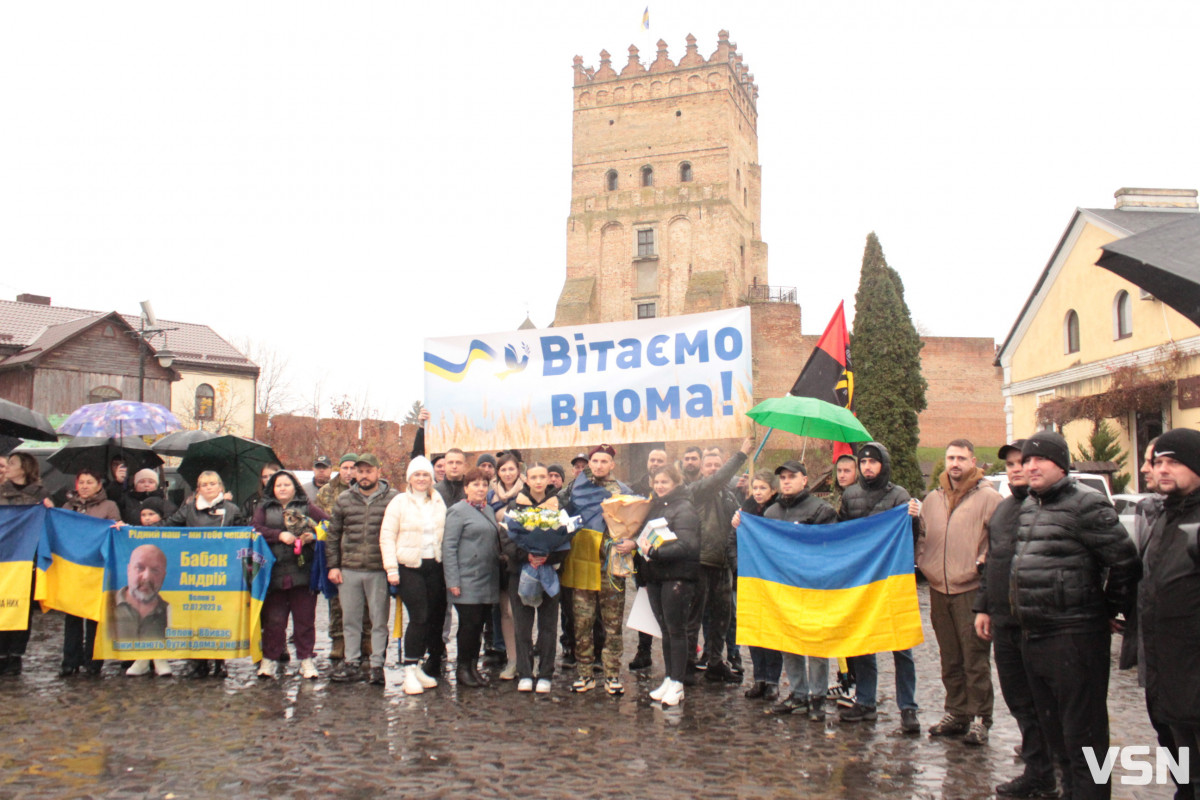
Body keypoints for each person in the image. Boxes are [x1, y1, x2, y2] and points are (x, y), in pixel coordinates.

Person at [1011, 430, 1140, 800]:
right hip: (1034, 636)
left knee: (1083, 736)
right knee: (1055, 734)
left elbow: (1124, 561)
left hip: (1075, 638)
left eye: (1040, 459)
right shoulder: (1029, 506)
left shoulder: (1087, 504)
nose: (1031, 466)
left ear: (1061, 464)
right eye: (1027, 460)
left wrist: (1108, 608)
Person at [973, 440, 1057, 799]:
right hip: (1005, 622)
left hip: (1043, 623)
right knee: (1020, 700)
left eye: (1022, 462)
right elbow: (993, 562)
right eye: (1009, 465)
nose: (1016, 469)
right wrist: (983, 606)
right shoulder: (1005, 510)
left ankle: (1063, 770)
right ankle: (1038, 772)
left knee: (1050, 703)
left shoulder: (1053, 506)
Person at [916, 439, 1002, 745]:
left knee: (974, 657)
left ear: (973, 461)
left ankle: (981, 717)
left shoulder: (990, 498)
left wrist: (983, 563)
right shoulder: (932, 500)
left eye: (961, 458)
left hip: (971, 588)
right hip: (939, 588)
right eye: (950, 457)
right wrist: (922, 561)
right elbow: (922, 536)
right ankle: (956, 711)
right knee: (949, 656)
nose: (955, 463)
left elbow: (999, 541)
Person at [837, 442, 921, 733]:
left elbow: (911, 537)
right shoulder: (850, 495)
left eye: (873, 462)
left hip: (892, 579)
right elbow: (842, 533)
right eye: (863, 462)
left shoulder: (899, 496)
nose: (867, 467)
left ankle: (908, 708)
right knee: (863, 644)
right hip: (862, 581)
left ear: (883, 464)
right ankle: (866, 701)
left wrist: (913, 517)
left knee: (901, 647)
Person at [751, 461, 837, 721]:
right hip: (783, 587)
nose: (786, 481)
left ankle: (818, 697)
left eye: (792, 477)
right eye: (783, 478)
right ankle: (798, 693)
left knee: (816, 643)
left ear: (804, 480)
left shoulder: (822, 509)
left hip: (814, 586)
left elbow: (829, 547)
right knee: (789, 641)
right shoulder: (771, 513)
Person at [1140, 429, 1200, 799]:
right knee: (1183, 768)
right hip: (1167, 672)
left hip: (1194, 669)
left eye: (1173, 462)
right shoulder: (1164, 517)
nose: (1162, 469)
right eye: (1158, 461)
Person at [560, 444, 632, 694]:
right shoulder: (574, 489)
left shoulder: (624, 492)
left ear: (612, 464)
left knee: (612, 624)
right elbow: (558, 512)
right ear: (589, 464)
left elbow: (636, 523)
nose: (599, 465)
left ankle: (612, 675)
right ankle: (585, 674)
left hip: (611, 566)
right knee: (582, 622)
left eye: (604, 461)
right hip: (583, 562)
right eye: (595, 461)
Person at [326, 454, 398, 686]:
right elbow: (333, 535)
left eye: (369, 471)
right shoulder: (345, 499)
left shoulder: (393, 499)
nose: (364, 476)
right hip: (349, 569)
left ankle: (377, 665)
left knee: (378, 620)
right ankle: (352, 662)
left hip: (378, 568)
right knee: (351, 619)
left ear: (379, 471)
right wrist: (333, 565)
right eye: (360, 471)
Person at [165, 470, 244, 678]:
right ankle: (197, 661)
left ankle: (220, 661)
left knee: (219, 616)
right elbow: (167, 527)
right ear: (198, 489)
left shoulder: (232, 509)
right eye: (203, 484)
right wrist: (133, 529)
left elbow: (243, 536)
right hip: (194, 571)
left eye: (212, 483)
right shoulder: (189, 509)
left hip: (221, 571)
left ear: (220, 487)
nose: (208, 487)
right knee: (196, 615)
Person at [686, 438, 752, 684]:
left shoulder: (728, 494)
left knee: (722, 618)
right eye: (709, 465)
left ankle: (716, 661)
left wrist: (746, 499)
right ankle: (687, 665)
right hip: (702, 561)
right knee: (695, 618)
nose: (713, 468)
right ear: (703, 469)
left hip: (723, 563)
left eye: (717, 464)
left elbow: (740, 521)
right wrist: (741, 454)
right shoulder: (699, 489)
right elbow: (717, 479)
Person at [381, 456, 447, 695]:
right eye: (417, 475)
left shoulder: (438, 500)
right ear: (409, 478)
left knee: (431, 618)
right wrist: (391, 569)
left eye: (426, 475)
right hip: (409, 567)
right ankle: (408, 670)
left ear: (431, 478)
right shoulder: (399, 502)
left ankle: (418, 664)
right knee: (418, 617)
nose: (421, 479)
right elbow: (387, 535)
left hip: (435, 565)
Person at [252, 470, 328, 680]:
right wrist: (278, 535)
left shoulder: (306, 506)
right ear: (272, 489)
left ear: (294, 486)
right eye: (278, 485)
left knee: (304, 619)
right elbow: (254, 528)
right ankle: (269, 659)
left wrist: (312, 536)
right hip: (273, 571)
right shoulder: (264, 508)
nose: (283, 488)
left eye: (286, 484)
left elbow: (327, 524)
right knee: (274, 621)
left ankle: (306, 659)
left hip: (302, 572)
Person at [637, 464, 701, 707]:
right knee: (665, 629)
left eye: (664, 482)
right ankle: (668, 677)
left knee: (677, 630)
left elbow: (688, 546)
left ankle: (678, 682)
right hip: (656, 576)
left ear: (675, 483)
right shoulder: (656, 506)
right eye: (656, 482)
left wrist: (655, 551)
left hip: (678, 577)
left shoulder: (684, 508)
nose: (659, 486)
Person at [501, 463, 566, 694]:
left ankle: (546, 673)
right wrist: (526, 555)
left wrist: (547, 556)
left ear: (548, 479)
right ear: (526, 480)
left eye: (542, 477)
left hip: (549, 571)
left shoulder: (559, 504)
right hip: (520, 572)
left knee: (548, 625)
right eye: (533, 477)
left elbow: (566, 538)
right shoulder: (515, 505)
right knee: (522, 626)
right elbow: (507, 539)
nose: (538, 481)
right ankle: (526, 672)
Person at [59, 468, 122, 677]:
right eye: (81, 482)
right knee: (73, 616)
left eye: (89, 482)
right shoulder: (68, 506)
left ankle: (93, 661)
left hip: (97, 569)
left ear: (99, 485)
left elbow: (115, 533)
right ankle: (70, 660)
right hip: (74, 568)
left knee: (95, 617)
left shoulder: (109, 506)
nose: (85, 486)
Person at [443, 467, 501, 688]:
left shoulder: (487, 510)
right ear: (466, 488)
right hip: (467, 579)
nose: (480, 488)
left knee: (478, 626)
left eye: (484, 485)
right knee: (468, 626)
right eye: (475, 484)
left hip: (487, 578)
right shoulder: (457, 511)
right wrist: (453, 581)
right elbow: (448, 547)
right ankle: (462, 669)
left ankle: (473, 668)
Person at [0, 452, 52, 675]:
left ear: (25, 468)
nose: (6, 467)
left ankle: (16, 654)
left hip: (26, 559)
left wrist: (49, 509)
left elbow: (50, 524)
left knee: (22, 608)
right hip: (4, 559)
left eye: (12, 463)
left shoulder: (40, 494)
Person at [734, 469, 781, 702]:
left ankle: (773, 680)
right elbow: (735, 542)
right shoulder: (747, 509)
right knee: (754, 630)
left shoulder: (779, 510)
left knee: (771, 631)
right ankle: (759, 678)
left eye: (763, 488)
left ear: (773, 490)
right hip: (751, 575)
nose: (758, 492)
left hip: (773, 577)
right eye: (755, 488)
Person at [316, 453, 361, 666]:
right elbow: (319, 518)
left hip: (357, 551)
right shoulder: (326, 492)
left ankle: (363, 642)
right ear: (339, 469)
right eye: (345, 468)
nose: (349, 472)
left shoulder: (363, 490)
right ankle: (338, 641)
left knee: (361, 603)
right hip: (333, 549)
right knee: (335, 601)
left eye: (353, 468)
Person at [629, 447, 669, 672]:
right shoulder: (637, 488)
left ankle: (676, 651)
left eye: (660, 460)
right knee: (645, 600)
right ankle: (644, 650)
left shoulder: (672, 488)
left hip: (667, 555)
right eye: (652, 459)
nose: (655, 463)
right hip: (642, 557)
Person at [486, 452, 523, 679]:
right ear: (498, 473)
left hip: (519, 559)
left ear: (518, 470)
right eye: (503, 470)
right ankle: (512, 660)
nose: (507, 473)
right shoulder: (489, 495)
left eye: (511, 469)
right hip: (498, 559)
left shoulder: (527, 493)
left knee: (519, 611)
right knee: (505, 614)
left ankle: (525, 657)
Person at [111, 544, 169, 640]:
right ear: (128, 570)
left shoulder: (172, 614)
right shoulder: (106, 604)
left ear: (164, 575)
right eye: (140, 568)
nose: (147, 577)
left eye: (155, 570)